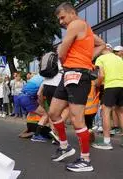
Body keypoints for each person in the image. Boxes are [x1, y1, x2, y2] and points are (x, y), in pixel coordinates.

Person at [48, 2, 105, 172]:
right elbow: (101, 44)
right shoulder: (85, 28)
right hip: (69, 74)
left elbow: (61, 52)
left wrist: (68, 58)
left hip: (77, 74)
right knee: (53, 112)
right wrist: (87, 58)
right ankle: (65, 147)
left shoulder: (76, 24)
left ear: (72, 13)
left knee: (76, 118)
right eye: (59, 19)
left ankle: (85, 160)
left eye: (62, 17)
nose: (61, 22)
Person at [92, 46, 123, 150]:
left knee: (105, 112)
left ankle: (106, 142)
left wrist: (97, 84)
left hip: (110, 86)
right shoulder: (119, 58)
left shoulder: (101, 58)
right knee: (121, 113)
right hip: (122, 86)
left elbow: (101, 75)